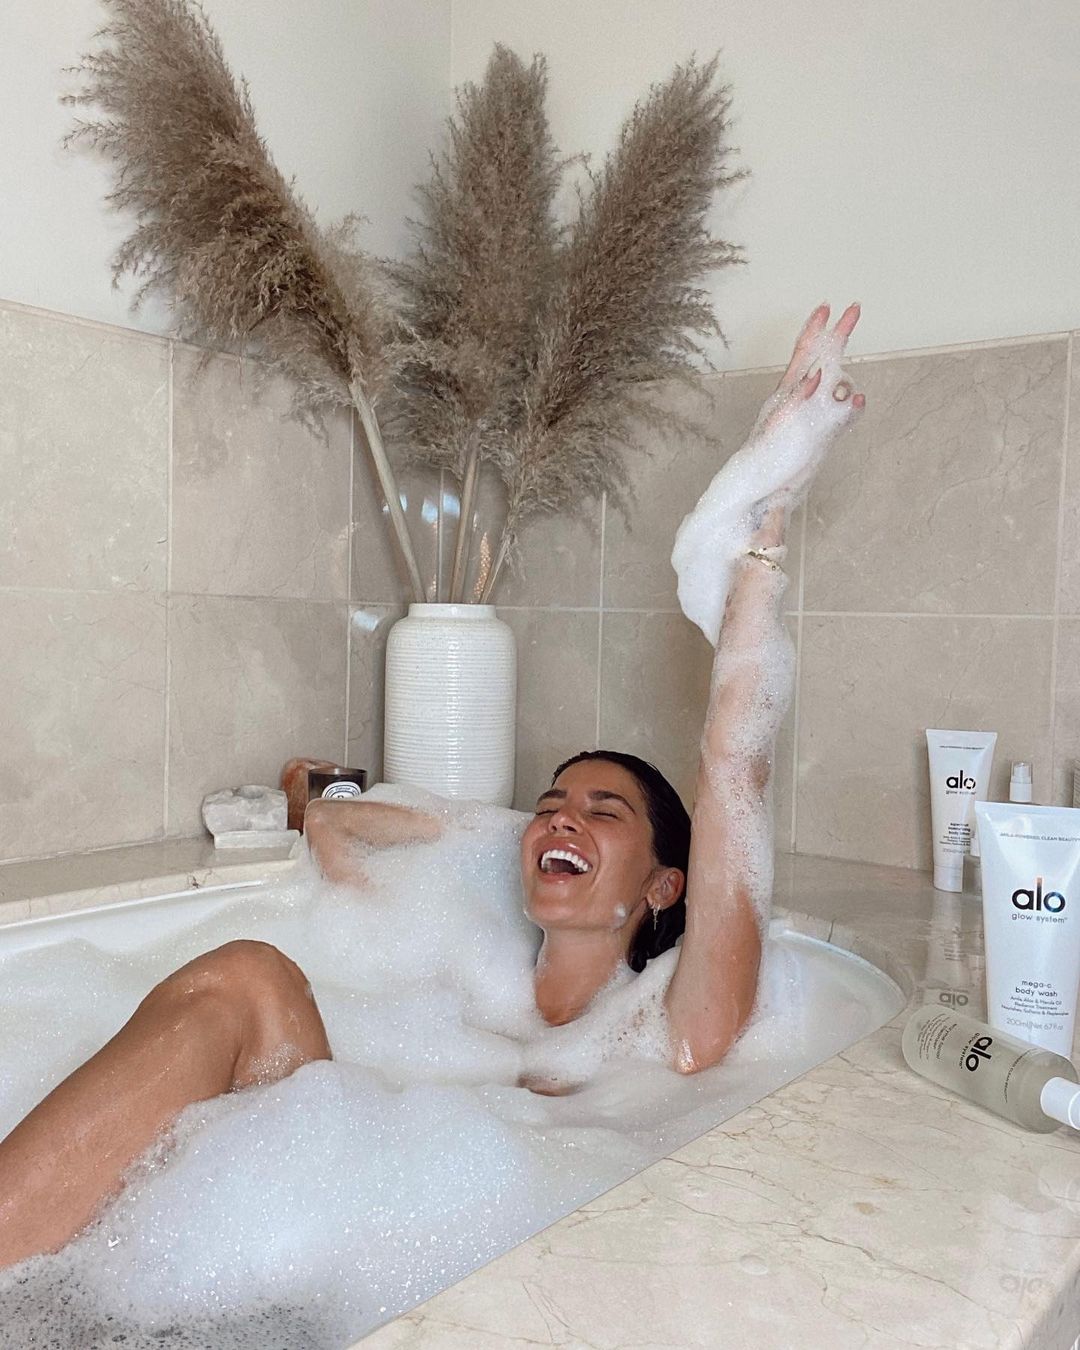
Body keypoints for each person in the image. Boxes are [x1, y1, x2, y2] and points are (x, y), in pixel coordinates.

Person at [0, 304, 864, 1268]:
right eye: (550, 806)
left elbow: (735, 762)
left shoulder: (679, 1022)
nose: (562, 818)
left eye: (603, 811)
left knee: (247, 977)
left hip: (471, 1258)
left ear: (667, 884)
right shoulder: (458, 978)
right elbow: (339, 829)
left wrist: (758, 540)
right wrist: (504, 831)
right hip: (343, 1209)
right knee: (250, 974)